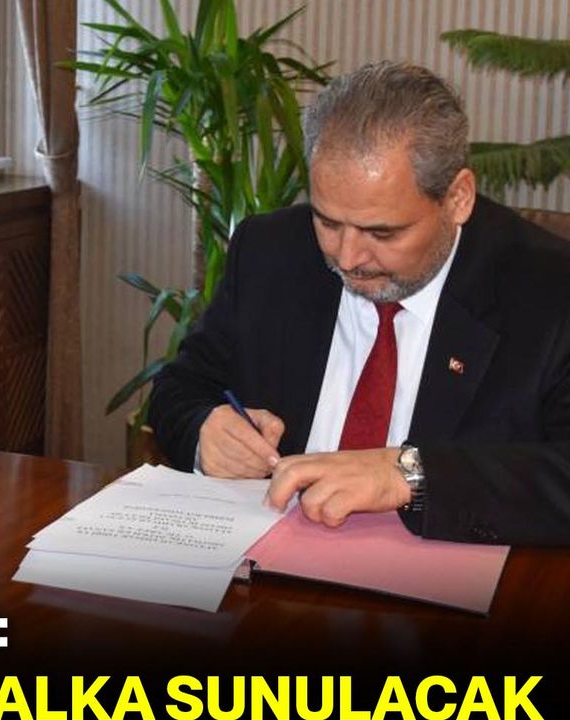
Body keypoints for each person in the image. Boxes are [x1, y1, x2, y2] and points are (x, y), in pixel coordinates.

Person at [147, 61, 570, 544]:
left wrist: (409, 474)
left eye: (381, 233)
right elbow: (181, 388)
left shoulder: (548, 289)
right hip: (272, 564)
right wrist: (204, 430)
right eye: (327, 222)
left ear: (458, 198)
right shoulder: (270, 252)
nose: (347, 258)